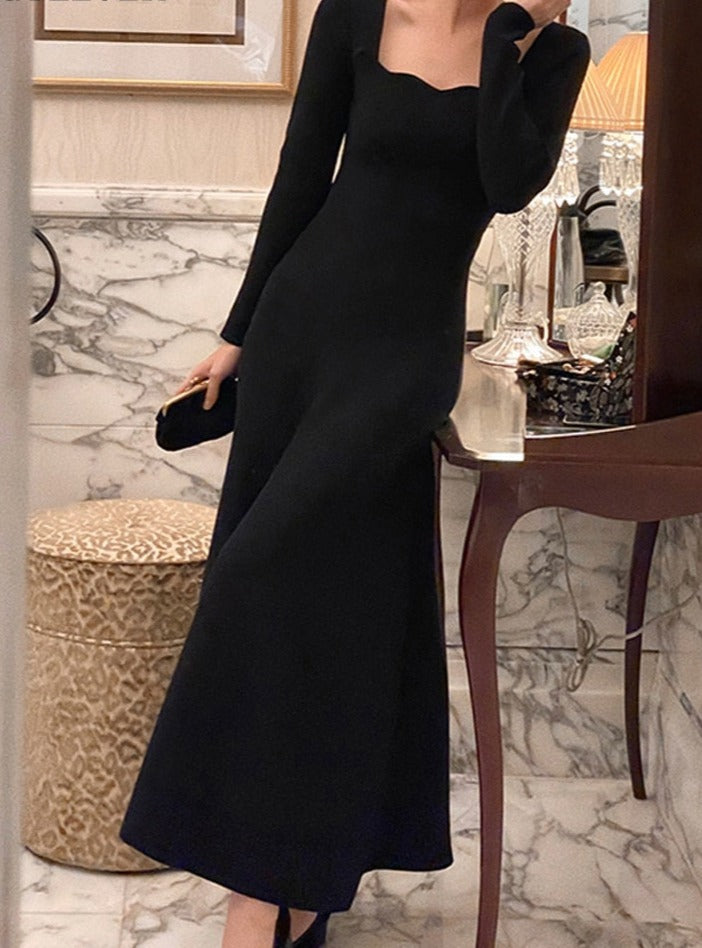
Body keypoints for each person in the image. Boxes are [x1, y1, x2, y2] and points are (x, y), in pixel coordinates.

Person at [119, 0, 589, 945]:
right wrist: (238, 336)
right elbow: (301, 176)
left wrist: (510, 34)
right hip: (301, 333)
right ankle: (289, 889)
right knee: (324, 620)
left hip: (405, 360)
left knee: (260, 578)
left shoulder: (550, 50)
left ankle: (262, 899)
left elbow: (507, 185)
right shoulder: (356, 11)